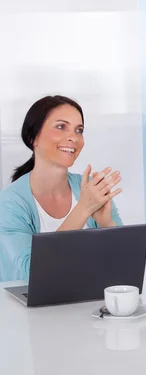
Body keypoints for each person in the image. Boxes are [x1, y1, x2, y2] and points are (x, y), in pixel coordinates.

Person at [0, 95, 123, 282]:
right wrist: (83, 209)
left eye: (79, 130)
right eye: (60, 127)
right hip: (27, 311)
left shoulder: (91, 190)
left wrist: (107, 226)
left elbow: (125, 264)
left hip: (86, 303)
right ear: (34, 137)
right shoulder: (10, 202)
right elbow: (30, 275)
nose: (73, 137)